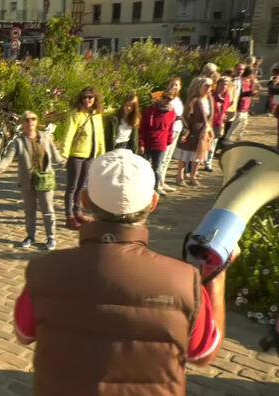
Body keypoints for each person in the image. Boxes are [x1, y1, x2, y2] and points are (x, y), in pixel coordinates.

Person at [13, 149, 230, 394]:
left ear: (84, 200)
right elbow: (203, 354)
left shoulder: (44, 269)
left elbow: (24, 333)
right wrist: (216, 280)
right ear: (153, 202)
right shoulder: (184, 279)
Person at [0, 110, 65, 249]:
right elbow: (7, 159)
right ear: (22, 123)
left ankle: (51, 237)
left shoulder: (45, 137)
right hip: (28, 181)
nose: (30, 122)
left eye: (33, 119)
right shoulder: (18, 142)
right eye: (26, 119)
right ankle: (30, 236)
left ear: (37, 121)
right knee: (29, 211)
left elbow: (56, 156)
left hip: (45, 179)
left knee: (48, 210)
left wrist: (66, 162)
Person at [61, 86, 106, 230]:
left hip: (90, 156)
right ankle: (69, 216)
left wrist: (102, 154)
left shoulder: (97, 115)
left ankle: (77, 211)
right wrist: (64, 153)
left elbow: (100, 136)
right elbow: (68, 135)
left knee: (81, 187)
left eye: (90, 97)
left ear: (95, 99)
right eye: (84, 97)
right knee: (72, 187)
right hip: (76, 155)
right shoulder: (76, 114)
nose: (87, 100)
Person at [174, 77, 214, 187]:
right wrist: (187, 130)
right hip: (192, 131)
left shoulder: (210, 99)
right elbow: (186, 116)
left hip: (204, 132)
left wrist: (209, 130)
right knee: (185, 155)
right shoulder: (194, 100)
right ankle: (180, 176)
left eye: (210, 86)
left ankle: (193, 176)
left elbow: (211, 116)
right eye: (206, 86)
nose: (209, 88)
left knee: (199, 156)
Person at [139, 89, 177, 196]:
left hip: (161, 144)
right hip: (148, 142)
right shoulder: (150, 110)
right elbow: (143, 128)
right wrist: (141, 143)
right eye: (164, 97)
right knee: (144, 167)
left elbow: (170, 129)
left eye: (169, 99)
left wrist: (168, 141)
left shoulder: (172, 113)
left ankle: (155, 188)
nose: (166, 100)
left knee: (157, 168)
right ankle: (142, 187)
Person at [158, 78, 185, 193]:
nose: (174, 87)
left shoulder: (178, 99)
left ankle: (162, 181)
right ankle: (157, 183)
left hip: (177, 129)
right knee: (162, 158)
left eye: (177, 85)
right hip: (169, 130)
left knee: (168, 157)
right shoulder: (167, 98)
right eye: (172, 84)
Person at [204, 77, 232, 171]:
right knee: (205, 142)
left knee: (213, 144)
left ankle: (208, 163)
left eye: (226, 84)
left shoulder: (227, 96)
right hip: (209, 122)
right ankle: (200, 160)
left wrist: (223, 118)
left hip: (219, 123)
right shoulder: (212, 95)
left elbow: (226, 108)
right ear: (218, 84)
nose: (224, 86)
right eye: (223, 84)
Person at [223, 66, 256, 143]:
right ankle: (227, 139)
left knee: (243, 124)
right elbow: (238, 94)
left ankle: (238, 138)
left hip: (245, 107)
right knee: (235, 124)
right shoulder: (240, 81)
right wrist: (248, 93)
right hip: (239, 106)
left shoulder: (249, 82)